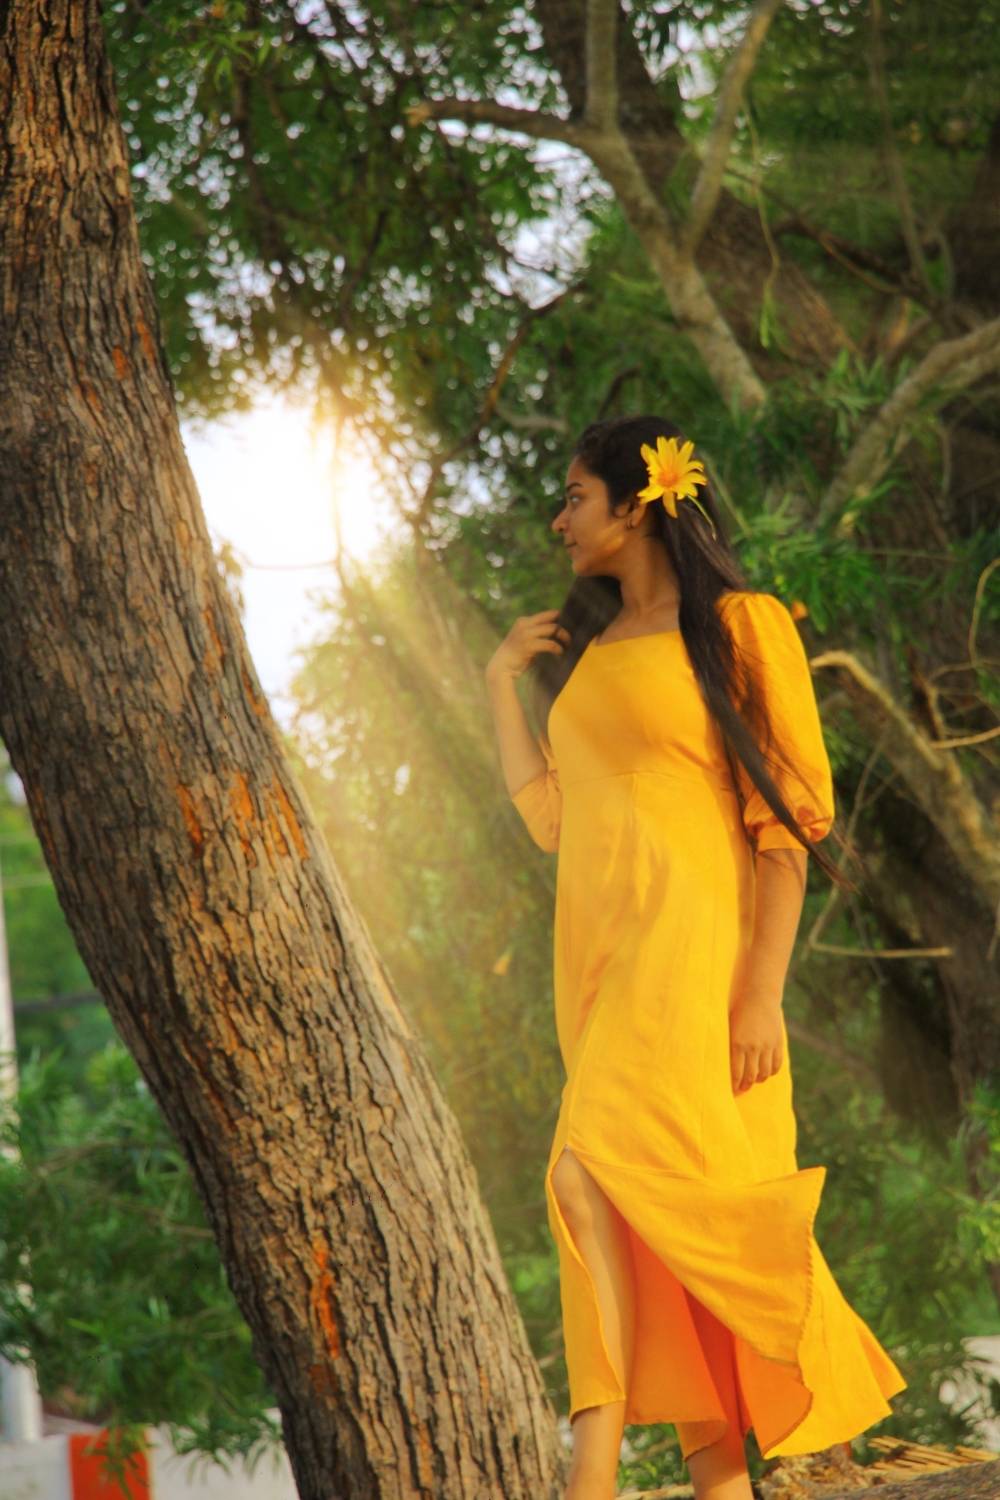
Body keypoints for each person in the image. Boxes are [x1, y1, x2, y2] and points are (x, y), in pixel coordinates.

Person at [484, 415, 906, 1500]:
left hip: (693, 958)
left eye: (574, 496)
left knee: (582, 1176)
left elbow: (787, 828)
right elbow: (551, 820)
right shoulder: (589, 654)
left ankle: (588, 1478)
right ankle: (716, 1481)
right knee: (656, 1222)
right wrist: (499, 685)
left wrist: (760, 994)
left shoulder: (740, 625)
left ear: (636, 507)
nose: (559, 519)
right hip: (598, 967)